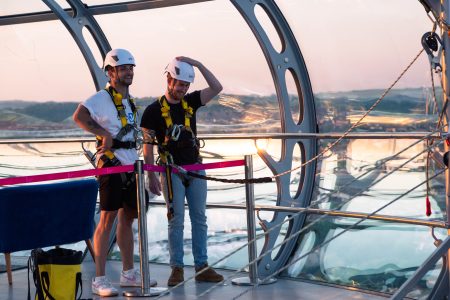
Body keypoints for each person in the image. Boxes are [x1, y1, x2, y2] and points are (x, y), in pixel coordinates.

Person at [73, 48, 156, 296]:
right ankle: (99, 279)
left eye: (131, 68)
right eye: (123, 69)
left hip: (131, 164)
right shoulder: (100, 98)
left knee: (129, 217)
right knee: (107, 218)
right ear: (110, 73)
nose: (128, 72)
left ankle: (128, 274)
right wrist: (105, 134)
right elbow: (79, 116)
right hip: (111, 164)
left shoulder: (129, 101)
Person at [141, 57, 224, 286]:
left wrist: (198, 64)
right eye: (180, 84)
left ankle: (202, 266)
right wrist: (151, 175)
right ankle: (176, 268)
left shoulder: (191, 102)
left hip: (195, 167)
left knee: (199, 218)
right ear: (169, 80)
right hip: (170, 171)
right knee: (175, 220)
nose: (183, 89)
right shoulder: (152, 111)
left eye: (186, 85)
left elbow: (217, 87)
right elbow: (147, 146)